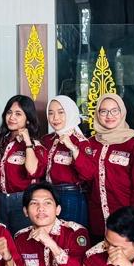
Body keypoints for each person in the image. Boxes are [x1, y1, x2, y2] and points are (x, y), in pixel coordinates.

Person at [73, 93, 134, 243]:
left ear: (122, 112)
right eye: (104, 111)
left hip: (125, 218)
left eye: (115, 110)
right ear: (97, 114)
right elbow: (85, 178)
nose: (109, 116)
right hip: (96, 217)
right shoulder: (90, 143)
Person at [0, 95, 46, 235]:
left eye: (18, 114)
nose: (12, 117)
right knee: (3, 241)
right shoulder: (1, 142)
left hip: (22, 200)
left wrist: (27, 142)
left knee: (22, 240)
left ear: (28, 119)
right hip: (1, 199)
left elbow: (33, 171)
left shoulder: (35, 145)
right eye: (9, 112)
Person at [42, 94, 89, 231]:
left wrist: (72, 148)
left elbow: (88, 173)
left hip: (70, 196)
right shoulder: (47, 140)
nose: (55, 118)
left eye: (61, 112)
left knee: (69, 235)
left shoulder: (80, 141)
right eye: (51, 113)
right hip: (48, 194)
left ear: (71, 113)